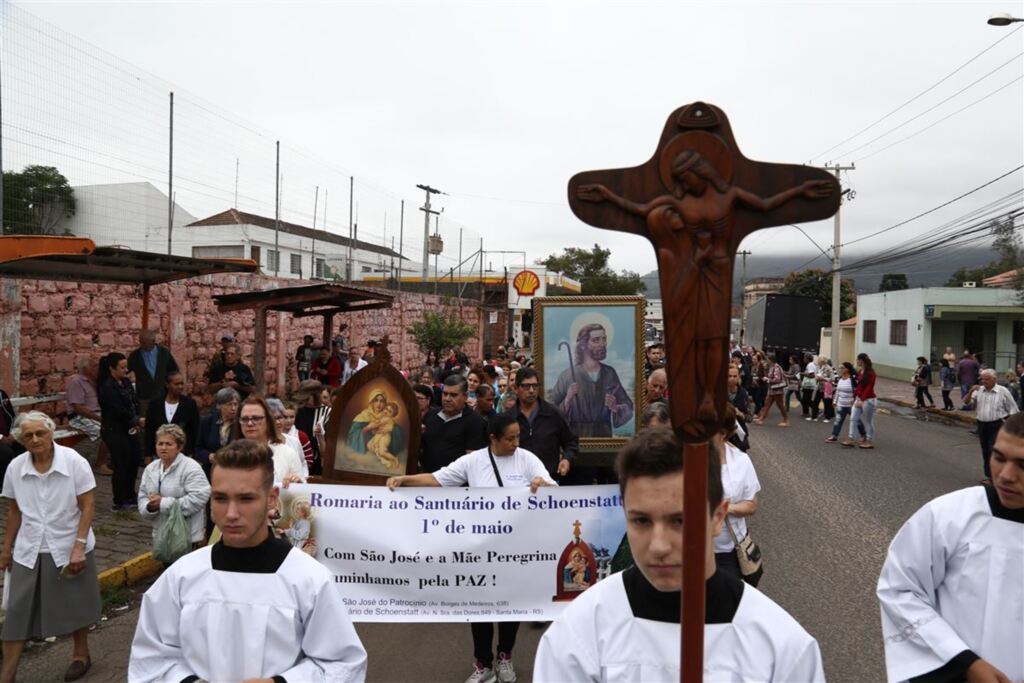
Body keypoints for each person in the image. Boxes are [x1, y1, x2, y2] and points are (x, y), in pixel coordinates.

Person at [533, 427, 825, 682]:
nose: (659, 546)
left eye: (680, 521)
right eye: (641, 521)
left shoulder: (782, 649)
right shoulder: (578, 633)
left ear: (717, 516)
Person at [129, 439, 368, 681]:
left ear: (272, 498)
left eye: (246, 499)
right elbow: (150, 659)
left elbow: (342, 663)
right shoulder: (181, 576)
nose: (231, 514)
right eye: (221, 499)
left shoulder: (309, 579)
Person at [388, 413, 556, 683]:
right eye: (510, 438)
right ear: (493, 438)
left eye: (518, 438)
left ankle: (505, 657)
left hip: (514, 550)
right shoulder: (474, 461)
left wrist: (542, 484)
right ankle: (483, 664)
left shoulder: (527, 459)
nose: (516, 443)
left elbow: (553, 489)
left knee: (510, 607)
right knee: (479, 607)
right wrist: (404, 480)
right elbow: (437, 479)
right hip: (480, 550)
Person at [877, 412, 1024, 683]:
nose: (1006, 476)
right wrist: (965, 663)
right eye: (999, 458)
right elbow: (899, 590)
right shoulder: (949, 515)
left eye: (1022, 465)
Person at [0, 411, 101, 683]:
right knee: (17, 610)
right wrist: (6, 550)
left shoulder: (73, 462)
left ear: (51, 432)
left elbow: (88, 505)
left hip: (69, 542)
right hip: (29, 546)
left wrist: (79, 546)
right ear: (21, 440)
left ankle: (81, 655)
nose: (35, 439)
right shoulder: (16, 468)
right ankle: (7, 674)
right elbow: (14, 511)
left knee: (75, 602)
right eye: (28, 435)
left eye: (40, 433)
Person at [548, 323, 634, 438]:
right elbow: (551, 409)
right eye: (596, 340)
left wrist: (615, 407)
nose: (602, 344)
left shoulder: (609, 373)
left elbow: (628, 405)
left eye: (604, 339)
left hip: (603, 436)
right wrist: (567, 400)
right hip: (575, 437)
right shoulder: (568, 375)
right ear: (583, 345)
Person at [137, 424, 210, 551]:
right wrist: (149, 507)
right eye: (160, 444)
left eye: (169, 444)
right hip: (161, 535)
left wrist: (163, 503)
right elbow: (143, 496)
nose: (163, 448)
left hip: (187, 537)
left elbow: (199, 498)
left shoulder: (191, 468)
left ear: (179, 447)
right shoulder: (151, 468)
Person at [715, 407, 761, 587]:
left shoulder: (741, 461)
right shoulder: (685, 458)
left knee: (726, 607)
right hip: (691, 549)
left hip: (729, 550)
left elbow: (751, 505)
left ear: (723, 434)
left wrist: (725, 508)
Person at [508, 368, 577, 482]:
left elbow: (571, 442)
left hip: (548, 480)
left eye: (535, 386)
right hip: (517, 482)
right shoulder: (508, 418)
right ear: (516, 388)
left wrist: (566, 459)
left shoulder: (553, 414)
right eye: (526, 386)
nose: (531, 390)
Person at [98, 352, 144, 511]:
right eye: (122, 367)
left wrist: (137, 418)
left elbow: (134, 401)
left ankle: (130, 494)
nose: (126, 370)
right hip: (114, 429)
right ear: (112, 368)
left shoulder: (125, 382)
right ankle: (120, 499)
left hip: (129, 428)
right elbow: (117, 409)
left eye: (126, 367)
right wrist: (135, 420)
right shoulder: (107, 387)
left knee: (134, 459)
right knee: (121, 463)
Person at [420, 375, 488, 473]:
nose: (447, 399)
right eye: (445, 394)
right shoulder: (431, 415)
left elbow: (472, 461)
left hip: (457, 485)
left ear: (465, 396)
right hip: (427, 480)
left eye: (453, 395)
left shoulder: (475, 422)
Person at [236, 396, 306, 486]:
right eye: (245, 419)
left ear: (268, 421)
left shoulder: (288, 454)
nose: (250, 423)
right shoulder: (231, 456)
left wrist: (296, 484)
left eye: (256, 418)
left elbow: (302, 494)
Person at [964, 368, 1019, 481]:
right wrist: (970, 392)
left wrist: (1008, 423)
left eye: (986, 379)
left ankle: (996, 476)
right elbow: (966, 403)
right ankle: (989, 476)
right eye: (982, 379)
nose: (983, 381)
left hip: (997, 425)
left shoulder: (1002, 391)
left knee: (993, 451)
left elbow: (1013, 409)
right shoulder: (979, 390)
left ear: (994, 379)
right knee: (985, 450)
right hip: (982, 425)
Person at [65, 357, 110, 474]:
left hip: (96, 414)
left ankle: (112, 460)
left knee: (118, 427)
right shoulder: (76, 382)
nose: (98, 368)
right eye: (95, 366)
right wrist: (99, 418)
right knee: (107, 431)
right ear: (85, 369)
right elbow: (78, 408)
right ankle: (100, 464)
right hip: (79, 416)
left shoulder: (95, 381)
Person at [144, 371, 200, 460]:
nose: (180, 387)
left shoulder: (189, 404)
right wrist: (147, 454)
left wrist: (194, 452)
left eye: (182, 384)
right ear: (167, 385)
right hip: (159, 453)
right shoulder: (155, 404)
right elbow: (149, 430)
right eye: (176, 384)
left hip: (183, 453)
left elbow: (195, 430)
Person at [127, 329, 180, 414]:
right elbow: (126, 371)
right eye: (141, 342)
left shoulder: (164, 353)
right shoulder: (135, 356)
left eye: (145, 342)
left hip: (162, 394)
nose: (142, 345)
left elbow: (173, 370)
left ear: (153, 341)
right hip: (144, 396)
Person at [194, 387, 240, 476]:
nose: (233, 408)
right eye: (229, 404)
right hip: (211, 471)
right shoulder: (206, 422)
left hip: (235, 470)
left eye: (236, 404)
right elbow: (198, 449)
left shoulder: (241, 423)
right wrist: (209, 456)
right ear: (219, 405)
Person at [843, 353, 877, 449]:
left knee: (868, 421)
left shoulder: (871, 373)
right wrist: (854, 398)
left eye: (857, 360)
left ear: (861, 360)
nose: (856, 361)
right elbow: (859, 386)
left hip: (869, 400)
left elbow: (869, 387)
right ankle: (851, 438)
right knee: (853, 418)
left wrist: (862, 400)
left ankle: (869, 441)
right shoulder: (860, 371)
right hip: (859, 399)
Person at [754, 353, 789, 428]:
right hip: (772, 389)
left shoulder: (777, 367)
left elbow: (777, 379)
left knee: (780, 405)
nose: (766, 361)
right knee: (767, 404)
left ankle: (786, 420)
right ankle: (761, 418)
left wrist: (768, 380)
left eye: (767, 359)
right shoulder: (771, 367)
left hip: (777, 390)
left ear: (771, 360)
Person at [826, 362, 856, 443]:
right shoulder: (840, 378)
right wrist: (835, 401)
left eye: (842, 368)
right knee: (838, 420)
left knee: (856, 420)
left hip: (851, 405)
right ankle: (834, 436)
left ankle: (863, 435)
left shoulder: (852, 379)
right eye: (840, 368)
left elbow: (857, 391)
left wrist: (855, 401)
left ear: (847, 369)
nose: (840, 369)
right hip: (841, 404)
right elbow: (838, 391)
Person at [726, 365, 752, 451]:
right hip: (722, 436)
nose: (732, 378)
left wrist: (740, 414)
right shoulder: (718, 392)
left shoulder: (744, 394)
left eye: (734, 376)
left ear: (738, 377)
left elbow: (749, 418)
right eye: (729, 376)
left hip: (738, 436)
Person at [0, 389, 23, 485]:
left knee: (25, 446)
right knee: (5, 453)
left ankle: (23, 480)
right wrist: (1, 438)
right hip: (2, 438)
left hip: (7, 435)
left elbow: (12, 416)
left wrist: (14, 433)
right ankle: (4, 486)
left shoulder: (1, 394)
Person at [800, 353, 819, 420]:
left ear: (808, 358)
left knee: (806, 400)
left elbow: (812, 375)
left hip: (809, 385)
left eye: (804, 358)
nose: (803, 359)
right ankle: (807, 412)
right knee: (806, 399)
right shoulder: (811, 364)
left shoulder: (810, 365)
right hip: (808, 385)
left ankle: (815, 410)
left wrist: (802, 374)